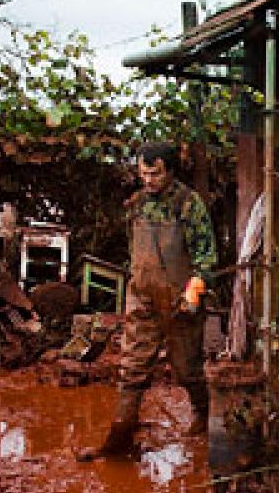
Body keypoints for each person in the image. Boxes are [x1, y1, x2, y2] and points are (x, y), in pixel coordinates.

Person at [86, 143, 217, 458]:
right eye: (144, 173)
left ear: (170, 171)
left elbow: (206, 257)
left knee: (187, 370)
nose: (148, 180)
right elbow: (136, 252)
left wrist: (191, 296)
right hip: (143, 300)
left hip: (180, 302)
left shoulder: (189, 205)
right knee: (132, 367)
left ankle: (205, 414)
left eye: (155, 173)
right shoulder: (137, 205)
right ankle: (120, 436)